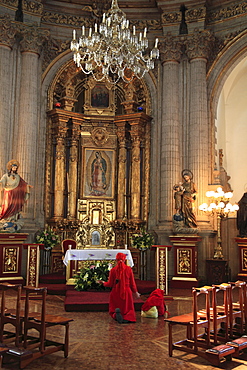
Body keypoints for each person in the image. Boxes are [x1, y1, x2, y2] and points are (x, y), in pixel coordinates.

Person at [99, 252, 140, 323]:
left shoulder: (113, 270)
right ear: (124, 260)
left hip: (116, 291)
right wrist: (136, 292)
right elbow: (132, 283)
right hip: (127, 292)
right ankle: (127, 317)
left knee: (116, 306)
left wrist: (103, 283)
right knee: (127, 307)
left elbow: (110, 284)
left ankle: (116, 314)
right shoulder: (129, 269)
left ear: (116, 260)